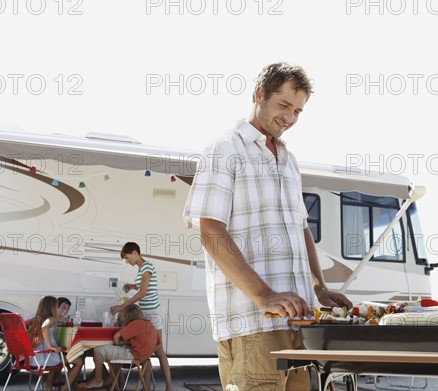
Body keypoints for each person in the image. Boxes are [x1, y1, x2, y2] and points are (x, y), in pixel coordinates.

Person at [183, 62, 353, 390]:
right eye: (284, 105)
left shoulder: (288, 161)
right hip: (253, 323)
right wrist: (264, 295)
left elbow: (301, 229)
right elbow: (210, 231)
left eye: (298, 111)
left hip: (300, 322)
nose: (290, 118)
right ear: (259, 94)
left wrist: (319, 289)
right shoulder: (224, 150)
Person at [110, 242, 172, 390]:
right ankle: (147, 386)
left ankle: (169, 386)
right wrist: (132, 286)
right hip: (144, 313)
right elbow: (143, 286)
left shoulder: (147, 267)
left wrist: (122, 306)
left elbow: (143, 293)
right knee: (145, 349)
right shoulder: (141, 269)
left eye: (127, 257)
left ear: (135, 252)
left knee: (158, 349)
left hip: (154, 313)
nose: (127, 261)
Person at [81, 304, 158, 389]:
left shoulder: (135, 324)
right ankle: (115, 380)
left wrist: (117, 346)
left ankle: (98, 380)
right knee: (114, 352)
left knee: (98, 350)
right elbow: (156, 344)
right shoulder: (149, 324)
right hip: (143, 357)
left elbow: (116, 336)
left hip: (134, 356)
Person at [29, 296, 84, 391]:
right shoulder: (51, 319)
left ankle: (48, 385)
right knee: (79, 361)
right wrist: (51, 346)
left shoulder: (37, 318)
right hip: (46, 358)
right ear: (52, 307)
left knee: (61, 356)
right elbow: (44, 327)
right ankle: (65, 388)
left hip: (35, 358)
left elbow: (24, 325)